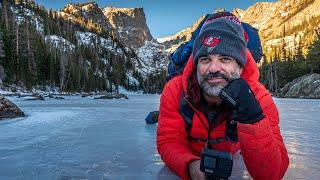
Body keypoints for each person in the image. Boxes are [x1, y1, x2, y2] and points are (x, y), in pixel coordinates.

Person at [157, 12, 289, 180]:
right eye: (205, 59)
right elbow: (169, 141)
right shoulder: (175, 91)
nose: (213, 68)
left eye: (225, 59)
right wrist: (191, 166)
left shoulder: (258, 97)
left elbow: (272, 174)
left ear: (240, 67)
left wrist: (252, 116)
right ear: (196, 65)